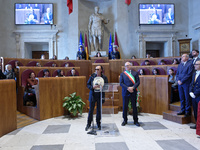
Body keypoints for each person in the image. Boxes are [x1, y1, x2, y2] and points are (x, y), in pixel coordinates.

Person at [85, 65, 108, 131]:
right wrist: (92, 87)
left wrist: (104, 87)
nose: (96, 70)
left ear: (101, 70)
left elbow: (107, 86)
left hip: (100, 95)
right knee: (91, 110)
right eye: (95, 69)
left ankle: (98, 124)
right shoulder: (92, 76)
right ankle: (88, 124)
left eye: (98, 69)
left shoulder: (104, 77)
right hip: (93, 95)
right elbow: (88, 84)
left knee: (99, 110)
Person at [120, 62, 140, 127]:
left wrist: (133, 87)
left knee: (134, 106)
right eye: (126, 66)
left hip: (133, 92)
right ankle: (125, 120)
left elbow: (138, 82)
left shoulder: (135, 73)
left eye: (128, 65)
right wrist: (128, 88)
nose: (127, 67)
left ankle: (136, 120)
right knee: (125, 106)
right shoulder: (122, 74)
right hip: (125, 92)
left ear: (130, 66)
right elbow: (121, 83)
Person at [189, 60, 200, 129]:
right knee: (195, 110)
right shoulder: (194, 73)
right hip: (193, 96)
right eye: (195, 64)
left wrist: (195, 93)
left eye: (197, 64)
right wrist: (190, 92)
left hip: (198, 95)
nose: (195, 65)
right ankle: (197, 125)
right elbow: (191, 84)